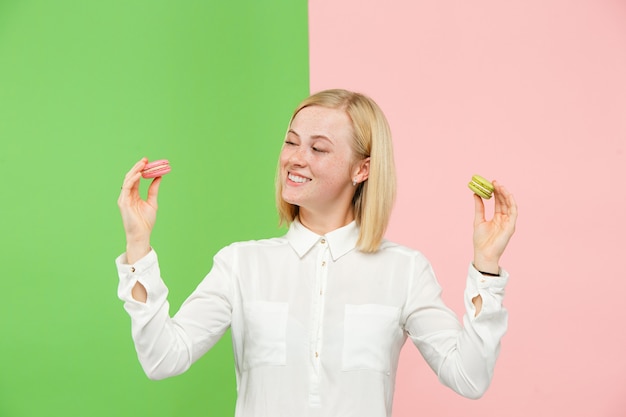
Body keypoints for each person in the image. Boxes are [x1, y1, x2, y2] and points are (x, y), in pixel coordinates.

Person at [116, 89, 518, 417]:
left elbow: (469, 377)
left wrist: (486, 266)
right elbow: (162, 358)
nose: (295, 158)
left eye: (319, 149)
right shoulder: (241, 265)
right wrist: (138, 245)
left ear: (361, 169)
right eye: (291, 142)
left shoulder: (404, 271)